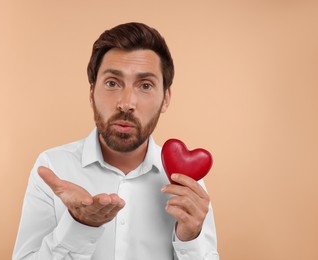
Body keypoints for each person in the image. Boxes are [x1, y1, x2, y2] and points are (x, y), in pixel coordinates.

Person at [13, 22, 219, 260]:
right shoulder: (53, 167)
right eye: (112, 83)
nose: (126, 102)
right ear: (91, 92)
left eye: (145, 85)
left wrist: (190, 239)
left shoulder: (188, 183)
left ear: (166, 98)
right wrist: (79, 225)